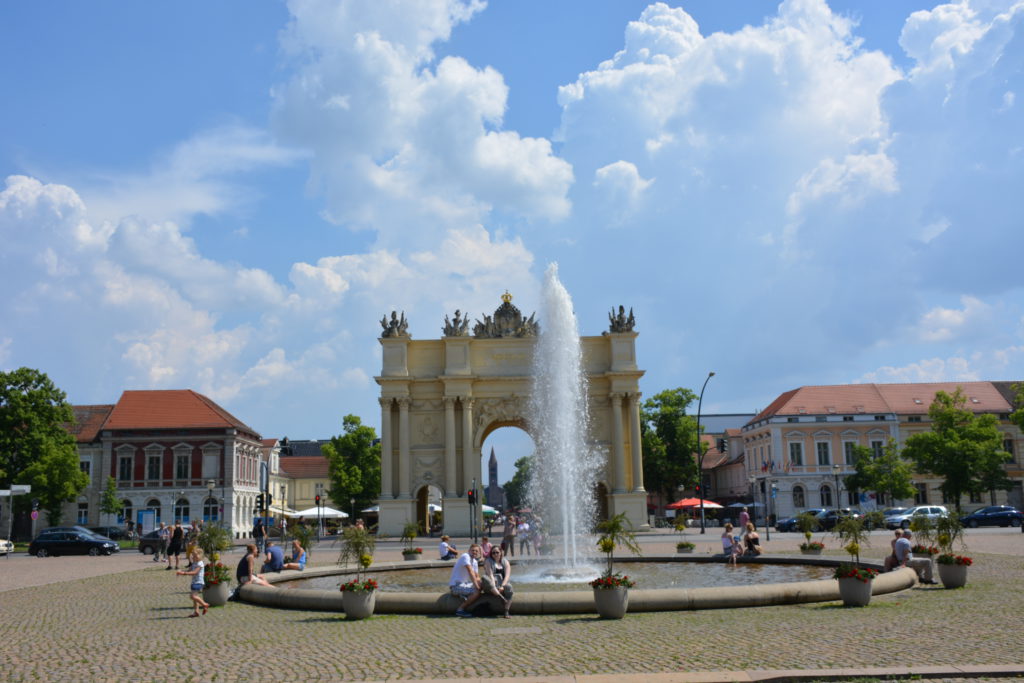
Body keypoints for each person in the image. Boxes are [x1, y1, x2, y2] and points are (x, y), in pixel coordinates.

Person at [449, 543, 483, 617]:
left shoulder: (475, 562)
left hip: (464, 584)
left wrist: (481, 583)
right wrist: (477, 586)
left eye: (476, 551)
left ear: (479, 553)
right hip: (455, 586)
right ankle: (460, 610)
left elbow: (477, 576)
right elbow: (470, 571)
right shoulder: (465, 556)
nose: (474, 552)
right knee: (476, 592)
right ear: (469, 550)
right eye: (473, 550)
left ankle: (464, 596)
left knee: (481, 583)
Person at [175, 547, 209, 617]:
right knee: (195, 598)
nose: (193, 557)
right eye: (192, 555)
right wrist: (181, 572)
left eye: (194, 556)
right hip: (194, 582)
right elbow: (189, 570)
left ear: (200, 556)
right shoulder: (194, 563)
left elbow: (194, 572)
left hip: (198, 582)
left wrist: (184, 573)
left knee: (192, 596)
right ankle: (196, 612)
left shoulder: (200, 564)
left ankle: (204, 604)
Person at [481, 545, 513, 618]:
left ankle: (506, 611)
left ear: (501, 552)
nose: (495, 554)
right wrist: (494, 587)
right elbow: (490, 575)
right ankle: (501, 597)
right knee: (484, 578)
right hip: (491, 587)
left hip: (501, 585)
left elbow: (507, 576)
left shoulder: (505, 562)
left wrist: (502, 586)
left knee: (509, 587)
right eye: (493, 553)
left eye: (497, 552)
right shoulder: (488, 561)